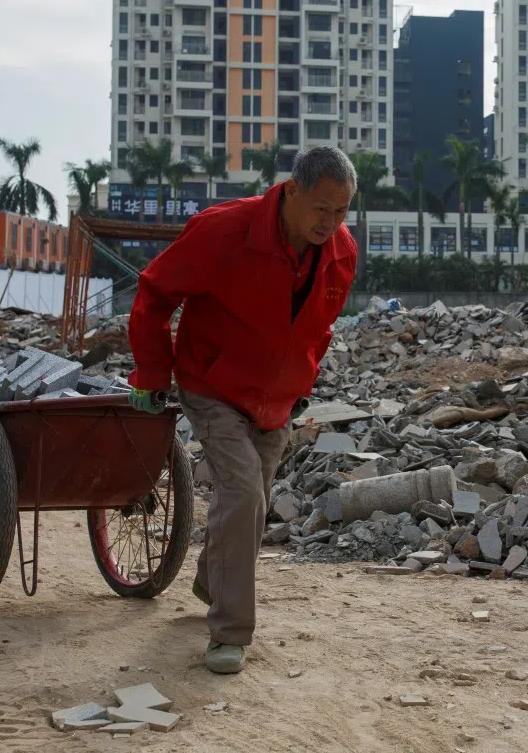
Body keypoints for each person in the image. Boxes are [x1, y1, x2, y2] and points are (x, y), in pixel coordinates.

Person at [125, 146, 357, 674]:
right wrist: (152, 372)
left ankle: (212, 578)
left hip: (275, 397)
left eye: (341, 212)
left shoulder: (342, 252)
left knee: (255, 495)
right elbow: (155, 292)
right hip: (212, 383)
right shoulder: (223, 231)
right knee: (244, 489)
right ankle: (229, 632)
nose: (331, 223)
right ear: (291, 191)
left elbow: (320, 327)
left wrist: (302, 384)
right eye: (321, 208)